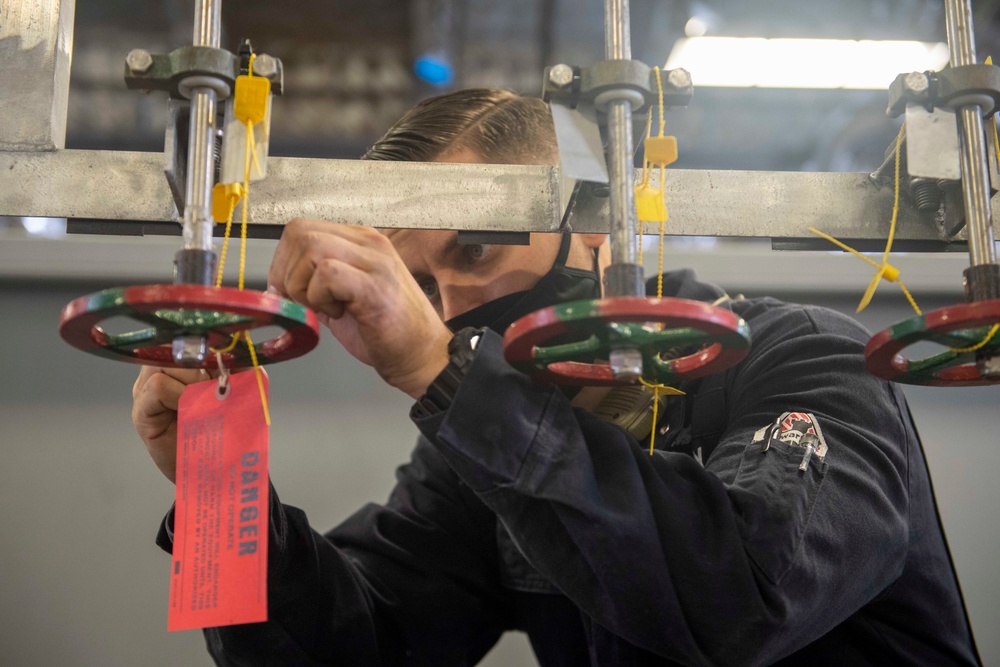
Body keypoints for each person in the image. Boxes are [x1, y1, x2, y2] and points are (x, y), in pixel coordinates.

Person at [132, 88, 981, 666]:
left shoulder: (799, 358)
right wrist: (216, 479)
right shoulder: (483, 445)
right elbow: (356, 644)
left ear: (597, 231)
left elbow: (747, 596)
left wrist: (439, 371)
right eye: (423, 287)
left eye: (477, 248)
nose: (456, 303)